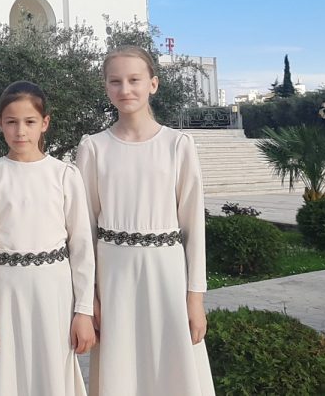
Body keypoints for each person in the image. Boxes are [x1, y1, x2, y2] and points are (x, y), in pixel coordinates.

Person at [77, 46, 215, 396]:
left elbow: (193, 228)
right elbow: (83, 231)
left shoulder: (178, 145)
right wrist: (88, 298)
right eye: (116, 81)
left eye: (134, 80)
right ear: (106, 87)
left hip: (167, 276)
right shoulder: (93, 148)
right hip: (114, 279)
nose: (125, 89)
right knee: (121, 370)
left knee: (172, 369)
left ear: (153, 84)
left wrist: (195, 299)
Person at [0, 81, 95, 396]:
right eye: (11, 122)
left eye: (29, 122)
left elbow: (82, 248)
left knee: (51, 372)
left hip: (53, 292)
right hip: (4, 293)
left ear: (45, 123)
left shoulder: (64, 175)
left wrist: (83, 311)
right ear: (0, 123)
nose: (20, 131)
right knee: (7, 373)